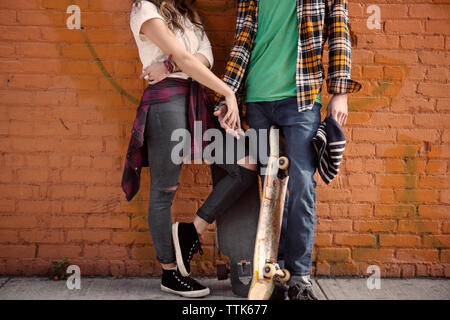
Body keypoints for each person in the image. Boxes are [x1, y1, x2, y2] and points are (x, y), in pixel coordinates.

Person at [211, 0, 362, 300]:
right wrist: (226, 96)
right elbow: (243, 42)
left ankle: (300, 275)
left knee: (303, 183)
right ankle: (274, 272)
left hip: (301, 98)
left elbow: (339, 32)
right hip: (258, 98)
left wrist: (340, 92)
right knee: (270, 188)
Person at [123, 0, 257, 298]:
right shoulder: (144, 8)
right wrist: (227, 92)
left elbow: (204, 57)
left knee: (246, 163)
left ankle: (191, 231)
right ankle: (170, 273)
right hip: (166, 102)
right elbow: (185, 57)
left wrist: (171, 64)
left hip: (197, 101)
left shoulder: (188, 13)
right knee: (164, 190)